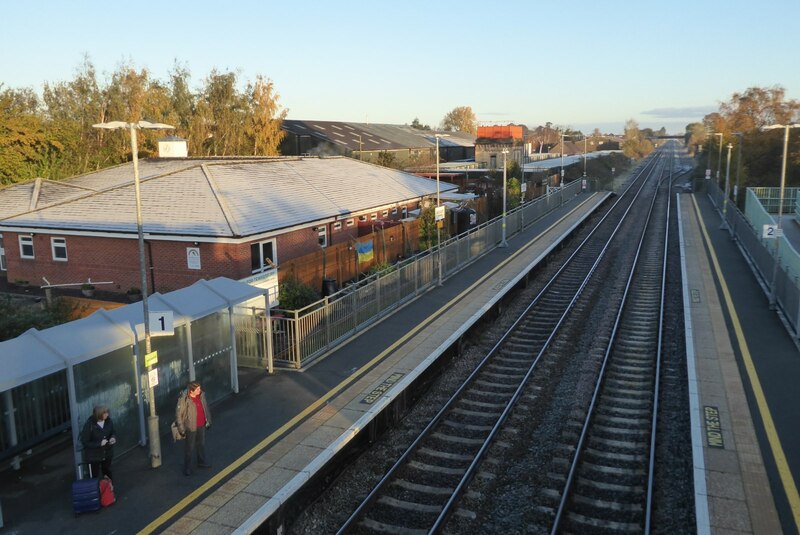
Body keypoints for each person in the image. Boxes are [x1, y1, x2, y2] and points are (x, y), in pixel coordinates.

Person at [175, 381, 212, 476]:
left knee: (201, 444)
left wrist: (208, 420)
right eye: (198, 389)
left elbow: (205, 408)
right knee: (189, 448)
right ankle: (187, 467)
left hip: (201, 424)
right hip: (190, 426)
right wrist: (181, 429)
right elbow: (179, 415)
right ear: (191, 391)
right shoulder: (184, 399)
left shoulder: (201, 395)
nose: (200, 390)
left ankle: (201, 462)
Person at [80, 405, 116, 480]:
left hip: (107, 453)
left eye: (107, 412)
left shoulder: (109, 421)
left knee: (107, 472)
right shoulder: (89, 425)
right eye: (105, 413)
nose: (107, 414)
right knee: (94, 475)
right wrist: (100, 443)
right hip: (94, 456)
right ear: (99, 415)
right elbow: (85, 442)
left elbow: (113, 432)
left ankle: (109, 489)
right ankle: (96, 490)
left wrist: (113, 438)